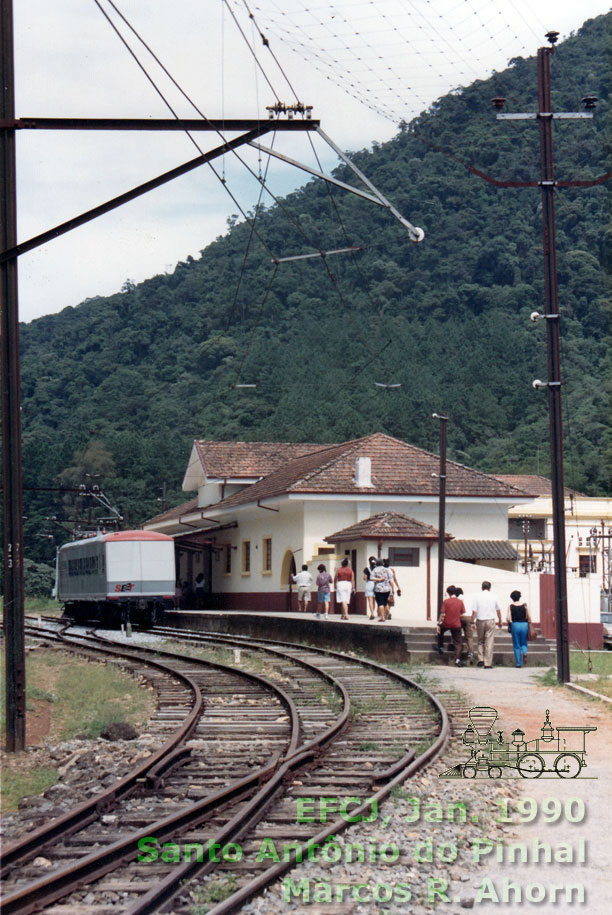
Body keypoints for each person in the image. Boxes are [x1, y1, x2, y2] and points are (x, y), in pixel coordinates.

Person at [471, 581, 502, 668]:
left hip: (480, 620)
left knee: (480, 640)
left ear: (482, 587)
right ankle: (487, 663)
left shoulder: (477, 596)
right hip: (490, 620)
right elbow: (498, 610)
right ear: (489, 588)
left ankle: (480, 659)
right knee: (489, 641)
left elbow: (474, 611)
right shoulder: (494, 596)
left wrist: (472, 621)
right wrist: (500, 620)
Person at [436, 585, 465, 666]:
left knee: (440, 631)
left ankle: (440, 646)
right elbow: (462, 613)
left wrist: (438, 623)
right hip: (456, 624)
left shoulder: (446, 602)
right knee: (458, 642)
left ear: (448, 593)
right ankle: (457, 659)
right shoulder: (460, 602)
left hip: (447, 623)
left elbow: (442, 614)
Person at [507, 589, 532, 668]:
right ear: (520, 597)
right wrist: (530, 623)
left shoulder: (511, 606)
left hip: (515, 625)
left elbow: (508, 618)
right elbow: (528, 615)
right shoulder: (525, 605)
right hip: (524, 624)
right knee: (523, 642)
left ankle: (518, 663)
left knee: (516, 644)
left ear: (512, 598)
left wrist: (510, 623)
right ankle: (524, 652)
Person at [455, 586, 474, 663]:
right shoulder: (469, 598)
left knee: (458, 636)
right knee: (469, 637)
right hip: (469, 617)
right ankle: (470, 653)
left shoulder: (458, 599)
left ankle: (458, 655)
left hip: (461, 617)